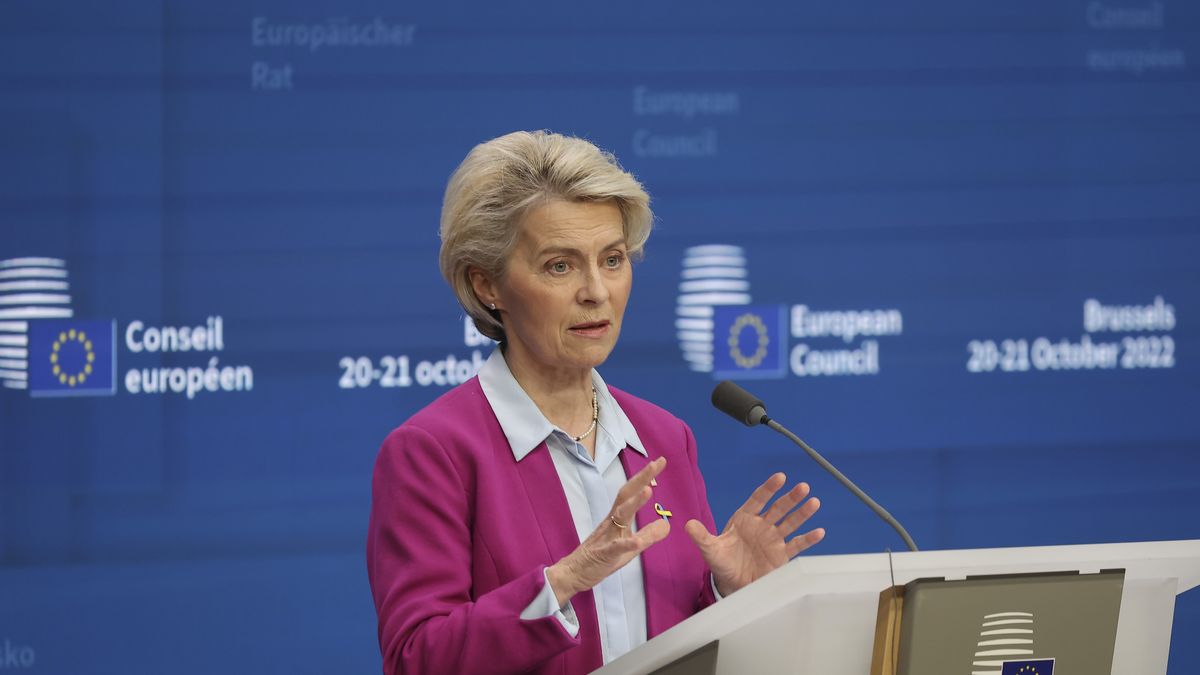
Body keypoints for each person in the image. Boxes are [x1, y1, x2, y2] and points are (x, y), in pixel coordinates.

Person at [366, 130, 825, 674]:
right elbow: (417, 658)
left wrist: (731, 597)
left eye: (612, 259)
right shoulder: (433, 451)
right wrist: (563, 582)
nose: (596, 291)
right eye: (560, 266)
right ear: (487, 284)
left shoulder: (664, 437)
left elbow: (684, 643)